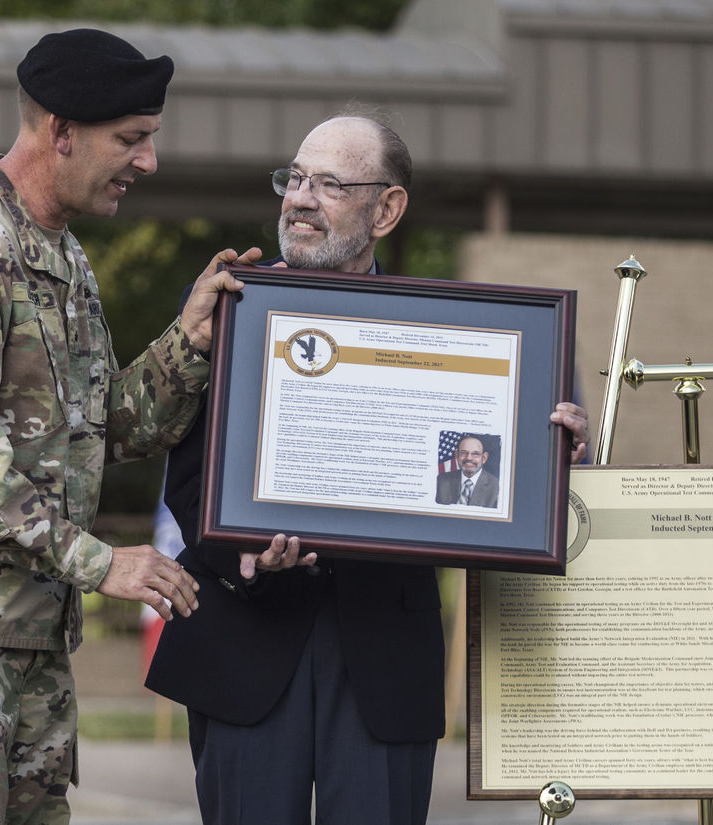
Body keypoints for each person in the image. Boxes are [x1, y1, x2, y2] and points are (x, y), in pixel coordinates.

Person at [0, 28, 258, 824]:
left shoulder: (58, 259)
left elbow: (107, 427)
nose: (147, 163)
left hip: (23, 636)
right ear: (59, 131)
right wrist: (101, 563)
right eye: (130, 140)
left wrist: (190, 340)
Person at [146, 111, 590, 824]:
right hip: (244, 646)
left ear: (386, 208)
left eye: (327, 183)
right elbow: (187, 477)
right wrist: (244, 561)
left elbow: (485, 487)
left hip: (384, 658)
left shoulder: (452, 334)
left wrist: (555, 461)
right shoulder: (226, 309)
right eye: (293, 179)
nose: (297, 198)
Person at [435, 434, 500, 507]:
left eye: (475, 454)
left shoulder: (497, 487)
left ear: (484, 458)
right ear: (457, 455)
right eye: (463, 453)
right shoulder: (441, 481)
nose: (469, 458)